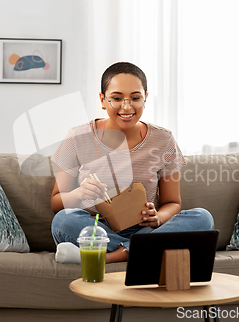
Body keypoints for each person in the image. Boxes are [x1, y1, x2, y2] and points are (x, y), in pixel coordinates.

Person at [51, 62, 214, 264]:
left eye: (135, 98)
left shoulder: (163, 140)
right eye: (117, 98)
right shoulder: (77, 137)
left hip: (146, 227)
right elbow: (56, 203)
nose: (126, 107)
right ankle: (144, 248)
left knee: (203, 218)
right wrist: (79, 194)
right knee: (63, 220)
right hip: (99, 229)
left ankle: (109, 257)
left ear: (145, 98)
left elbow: (173, 203)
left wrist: (159, 218)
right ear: (102, 100)